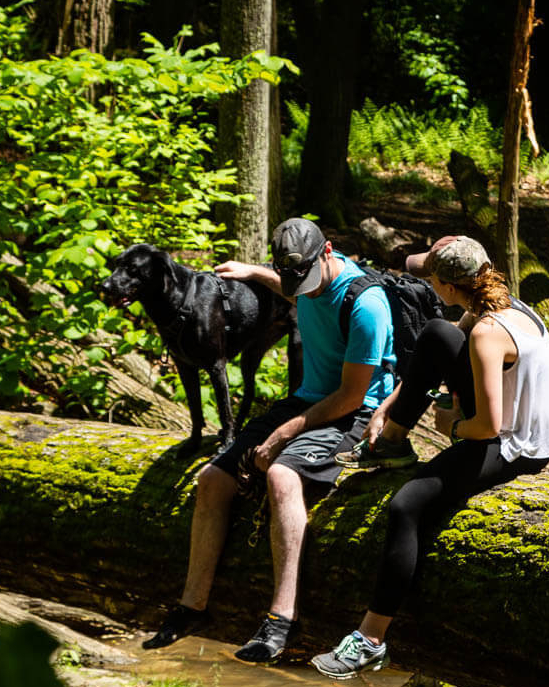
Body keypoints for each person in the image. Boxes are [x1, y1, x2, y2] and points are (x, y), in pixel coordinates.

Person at [141, 217, 397, 664]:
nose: (304, 290)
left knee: (281, 474)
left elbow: (352, 395)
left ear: (329, 251)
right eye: (293, 280)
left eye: (309, 279)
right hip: (306, 399)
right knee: (212, 480)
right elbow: (284, 284)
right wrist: (251, 270)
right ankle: (192, 607)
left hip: (355, 412)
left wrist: (285, 432)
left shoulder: (366, 304)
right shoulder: (296, 278)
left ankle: (282, 618)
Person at [310, 235, 549, 679]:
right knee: (437, 333)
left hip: (518, 448)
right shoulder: (499, 305)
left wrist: (451, 428)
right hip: (508, 428)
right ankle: (391, 441)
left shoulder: (488, 332)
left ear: (446, 286)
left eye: (431, 276)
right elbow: (439, 352)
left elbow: (487, 426)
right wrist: (390, 407)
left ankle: (369, 639)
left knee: (407, 505)